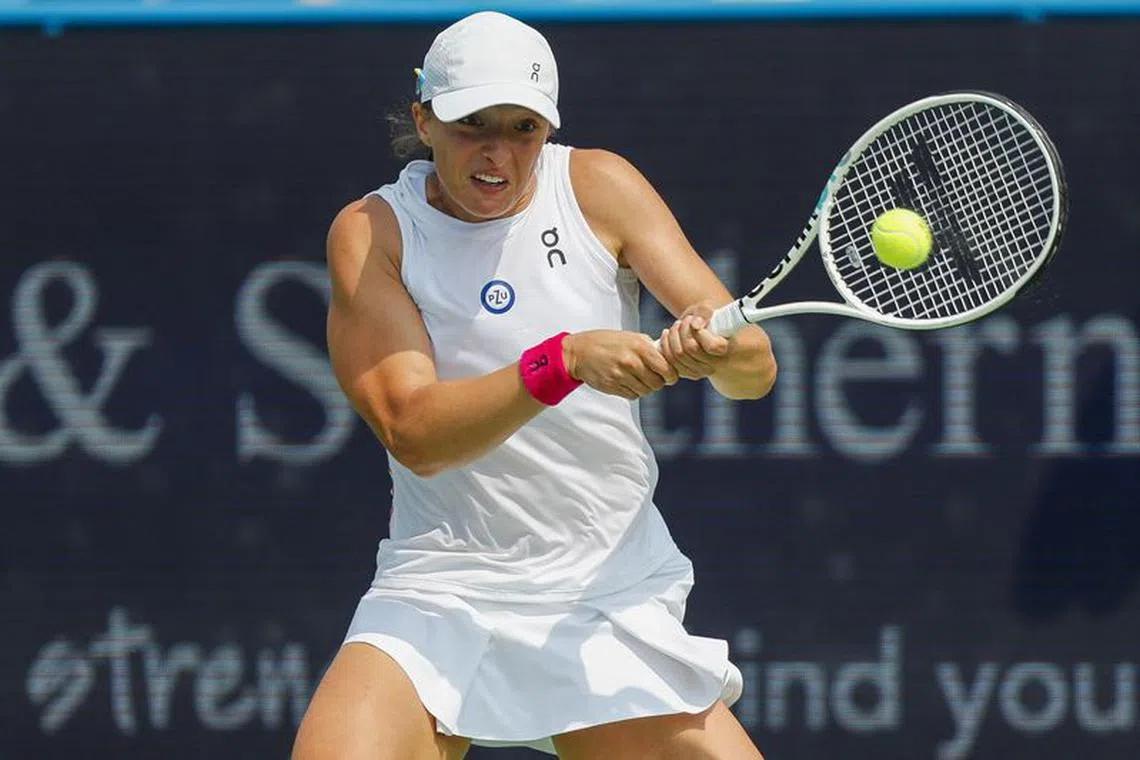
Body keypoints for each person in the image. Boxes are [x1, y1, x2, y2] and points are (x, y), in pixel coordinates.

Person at [293, 10, 776, 760]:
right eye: (472, 125)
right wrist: (565, 360)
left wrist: (719, 351)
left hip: (602, 592)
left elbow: (756, 369)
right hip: (441, 587)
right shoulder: (373, 231)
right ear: (423, 120)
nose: (498, 152)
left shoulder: (600, 186)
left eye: (523, 128)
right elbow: (415, 433)